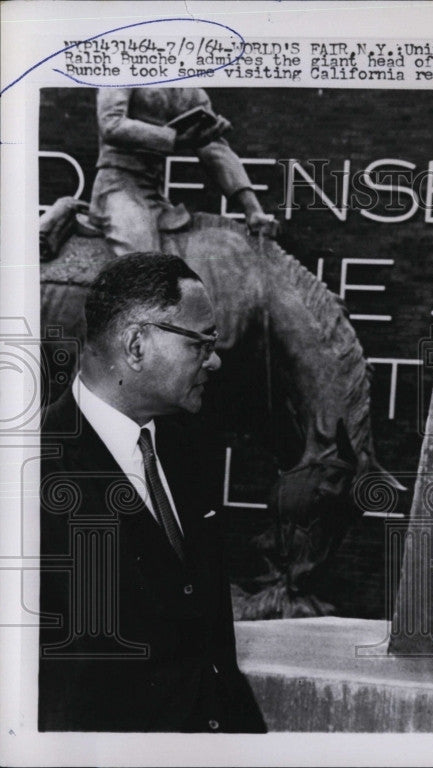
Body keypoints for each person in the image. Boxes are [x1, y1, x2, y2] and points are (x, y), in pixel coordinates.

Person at [39, 252, 266, 732]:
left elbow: (212, 654)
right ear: (136, 345)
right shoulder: (32, 475)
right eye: (200, 343)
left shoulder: (187, 448)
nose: (215, 359)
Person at [88, 88, 277, 256]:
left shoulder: (189, 91)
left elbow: (214, 148)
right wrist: (174, 140)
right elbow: (111, 124)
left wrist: (252, 208)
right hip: (117, 189)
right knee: (144, 271)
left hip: (156, 197)